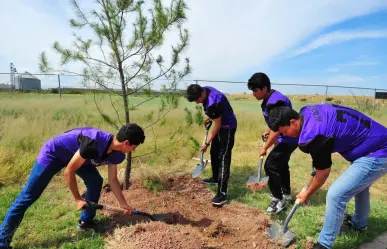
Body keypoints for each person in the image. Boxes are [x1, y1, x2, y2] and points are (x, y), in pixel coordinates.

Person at [0, 124, 145, 249]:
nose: (134, 149)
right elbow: (69, 171)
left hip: (79, 157)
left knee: (95, 181)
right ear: (126, 143)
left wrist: (123, 203)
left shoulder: (118, 154)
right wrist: (77, 199)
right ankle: (2, 241)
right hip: (54, 154)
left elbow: (112, 180)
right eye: (134, 146)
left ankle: (86, 222)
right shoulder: (92, 143)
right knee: (28, 196)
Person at [267, 103, 387, 249]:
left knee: (336, 195)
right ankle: (359, 224)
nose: (284, 136)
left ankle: (324, 244)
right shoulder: (307, 111)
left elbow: (323, 172)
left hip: (378, 152)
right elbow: (322, 150)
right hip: (373, 141)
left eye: (284, 132)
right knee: (360, 187)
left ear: (293, 122)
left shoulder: (316, 136)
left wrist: (307, 193)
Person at [247, 72, 298, 214]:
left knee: (270, 165)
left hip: (288, 138)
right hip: (285, 137)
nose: (253, 94)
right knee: (281, 165)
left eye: (255, 90)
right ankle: (286, 193)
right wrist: (268, 130)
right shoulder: (272, 98)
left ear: (264, 88)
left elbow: (278, 128)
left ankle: (279, 199)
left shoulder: (275, 102)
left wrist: (265, 147)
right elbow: (275, 122)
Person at [185, 84, 237, 206]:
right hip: (219, 122)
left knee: (224, 157)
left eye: (197, 100)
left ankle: (222, 193)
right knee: (214, 152)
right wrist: (210, 117)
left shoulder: (213, 103)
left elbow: (218, 125)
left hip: (227, 127)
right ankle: (215, 177)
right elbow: (216, 116)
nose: (197, 103)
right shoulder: (205, 89)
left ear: (202, 94)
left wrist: (207, 143)